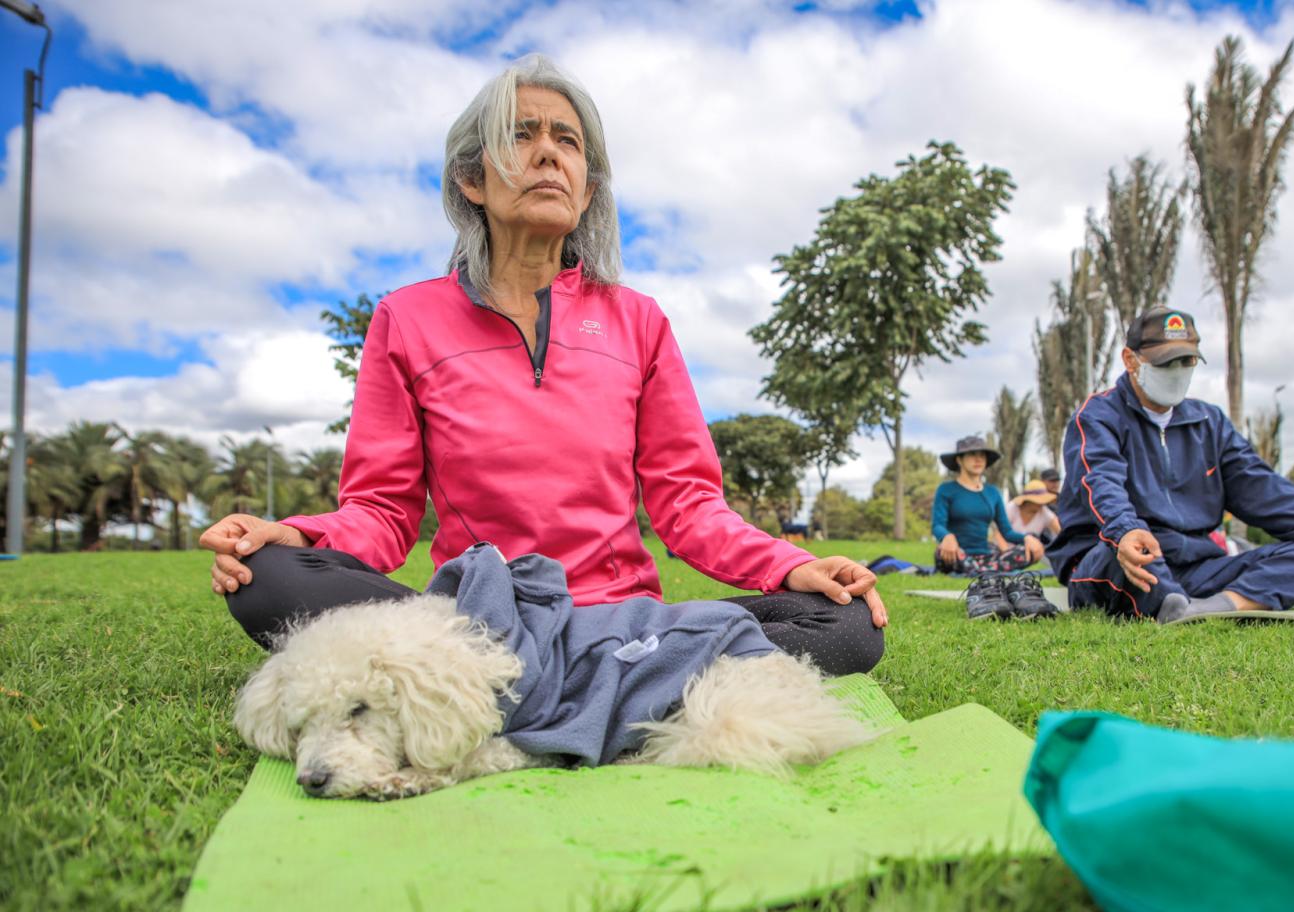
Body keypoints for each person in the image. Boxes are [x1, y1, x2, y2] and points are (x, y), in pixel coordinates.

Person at [199, 55, 885, 677]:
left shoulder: (639, 321)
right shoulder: (406, 319)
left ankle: (511, 690)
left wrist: (792, 564)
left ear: (586, 192)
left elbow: (688, 506)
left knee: (846, 623)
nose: (549, 153)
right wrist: (299, 535)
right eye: (522, 135)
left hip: (621, 624)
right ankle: (616, 690)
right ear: (472, 179)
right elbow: (383, 511)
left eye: (568, 141)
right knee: (268, 578)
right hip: (474, 624)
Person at [1047, 307, 1294, 622]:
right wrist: (1125, 531)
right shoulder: (1098, 416)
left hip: (1199, 564)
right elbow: (1100, 482)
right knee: (1126, 553)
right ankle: (1172, 599)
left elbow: (1263, 489)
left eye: (1186, 360)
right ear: (1130, 360)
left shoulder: (1210, 423)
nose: (1177, 371)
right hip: (1118, 553)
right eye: (1165, 362)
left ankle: (1209, 607)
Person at [932, 436, 1044, 575]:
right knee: (945, 555)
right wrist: (946, 537)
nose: (978, 459)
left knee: (1027, 551)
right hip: (957, 553)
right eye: (972, 454)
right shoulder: (946, 490)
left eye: (982, 455)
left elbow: (1007, 532)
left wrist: (1027, 539)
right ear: (959, 460)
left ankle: (981, 569)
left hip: (986, 555)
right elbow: (937, 525)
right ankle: (986, 570)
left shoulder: (993, 493)